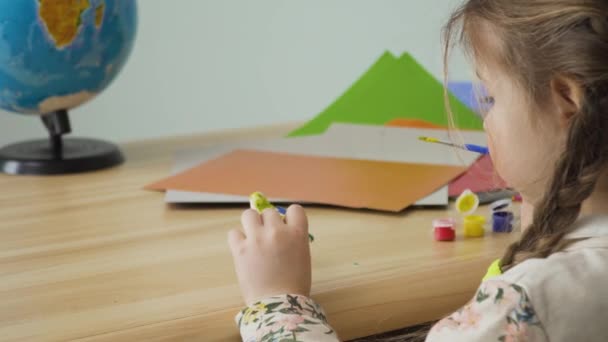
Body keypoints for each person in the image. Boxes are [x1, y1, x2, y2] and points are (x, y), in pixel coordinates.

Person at [228, 0, 608, 340]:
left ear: (568, 102)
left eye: (491, 97)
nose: (484, 120)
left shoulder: (523, 305)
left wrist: (276, 302)